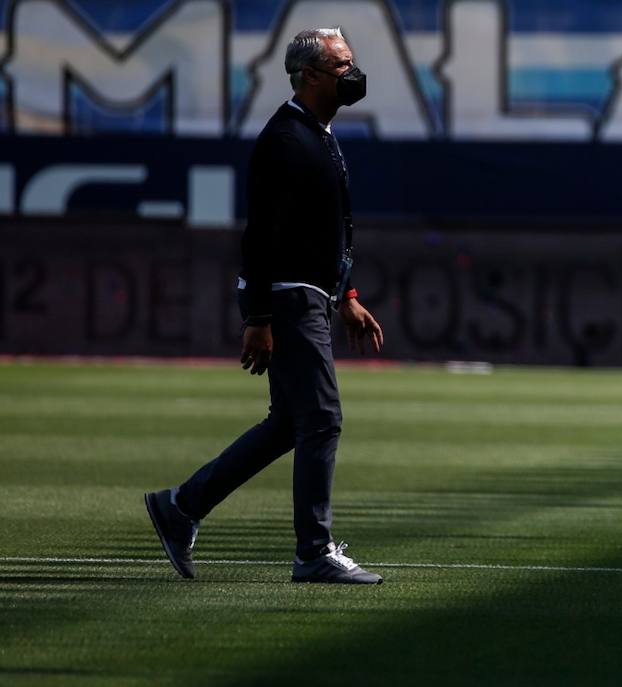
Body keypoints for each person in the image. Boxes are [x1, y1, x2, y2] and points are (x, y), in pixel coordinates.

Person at [145, 27, 385, 584]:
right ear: (308, 77)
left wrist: (345, 295)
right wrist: (258, 317)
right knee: (321, 419)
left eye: (351, 63)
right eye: (341, 66)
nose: (353, 74)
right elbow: (262, 238)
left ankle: (180, 508)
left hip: (307, 293)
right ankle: (313, 552)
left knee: (289, 425)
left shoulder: (316, 134)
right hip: (285, 297)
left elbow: (321, 231)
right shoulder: (285, 140)